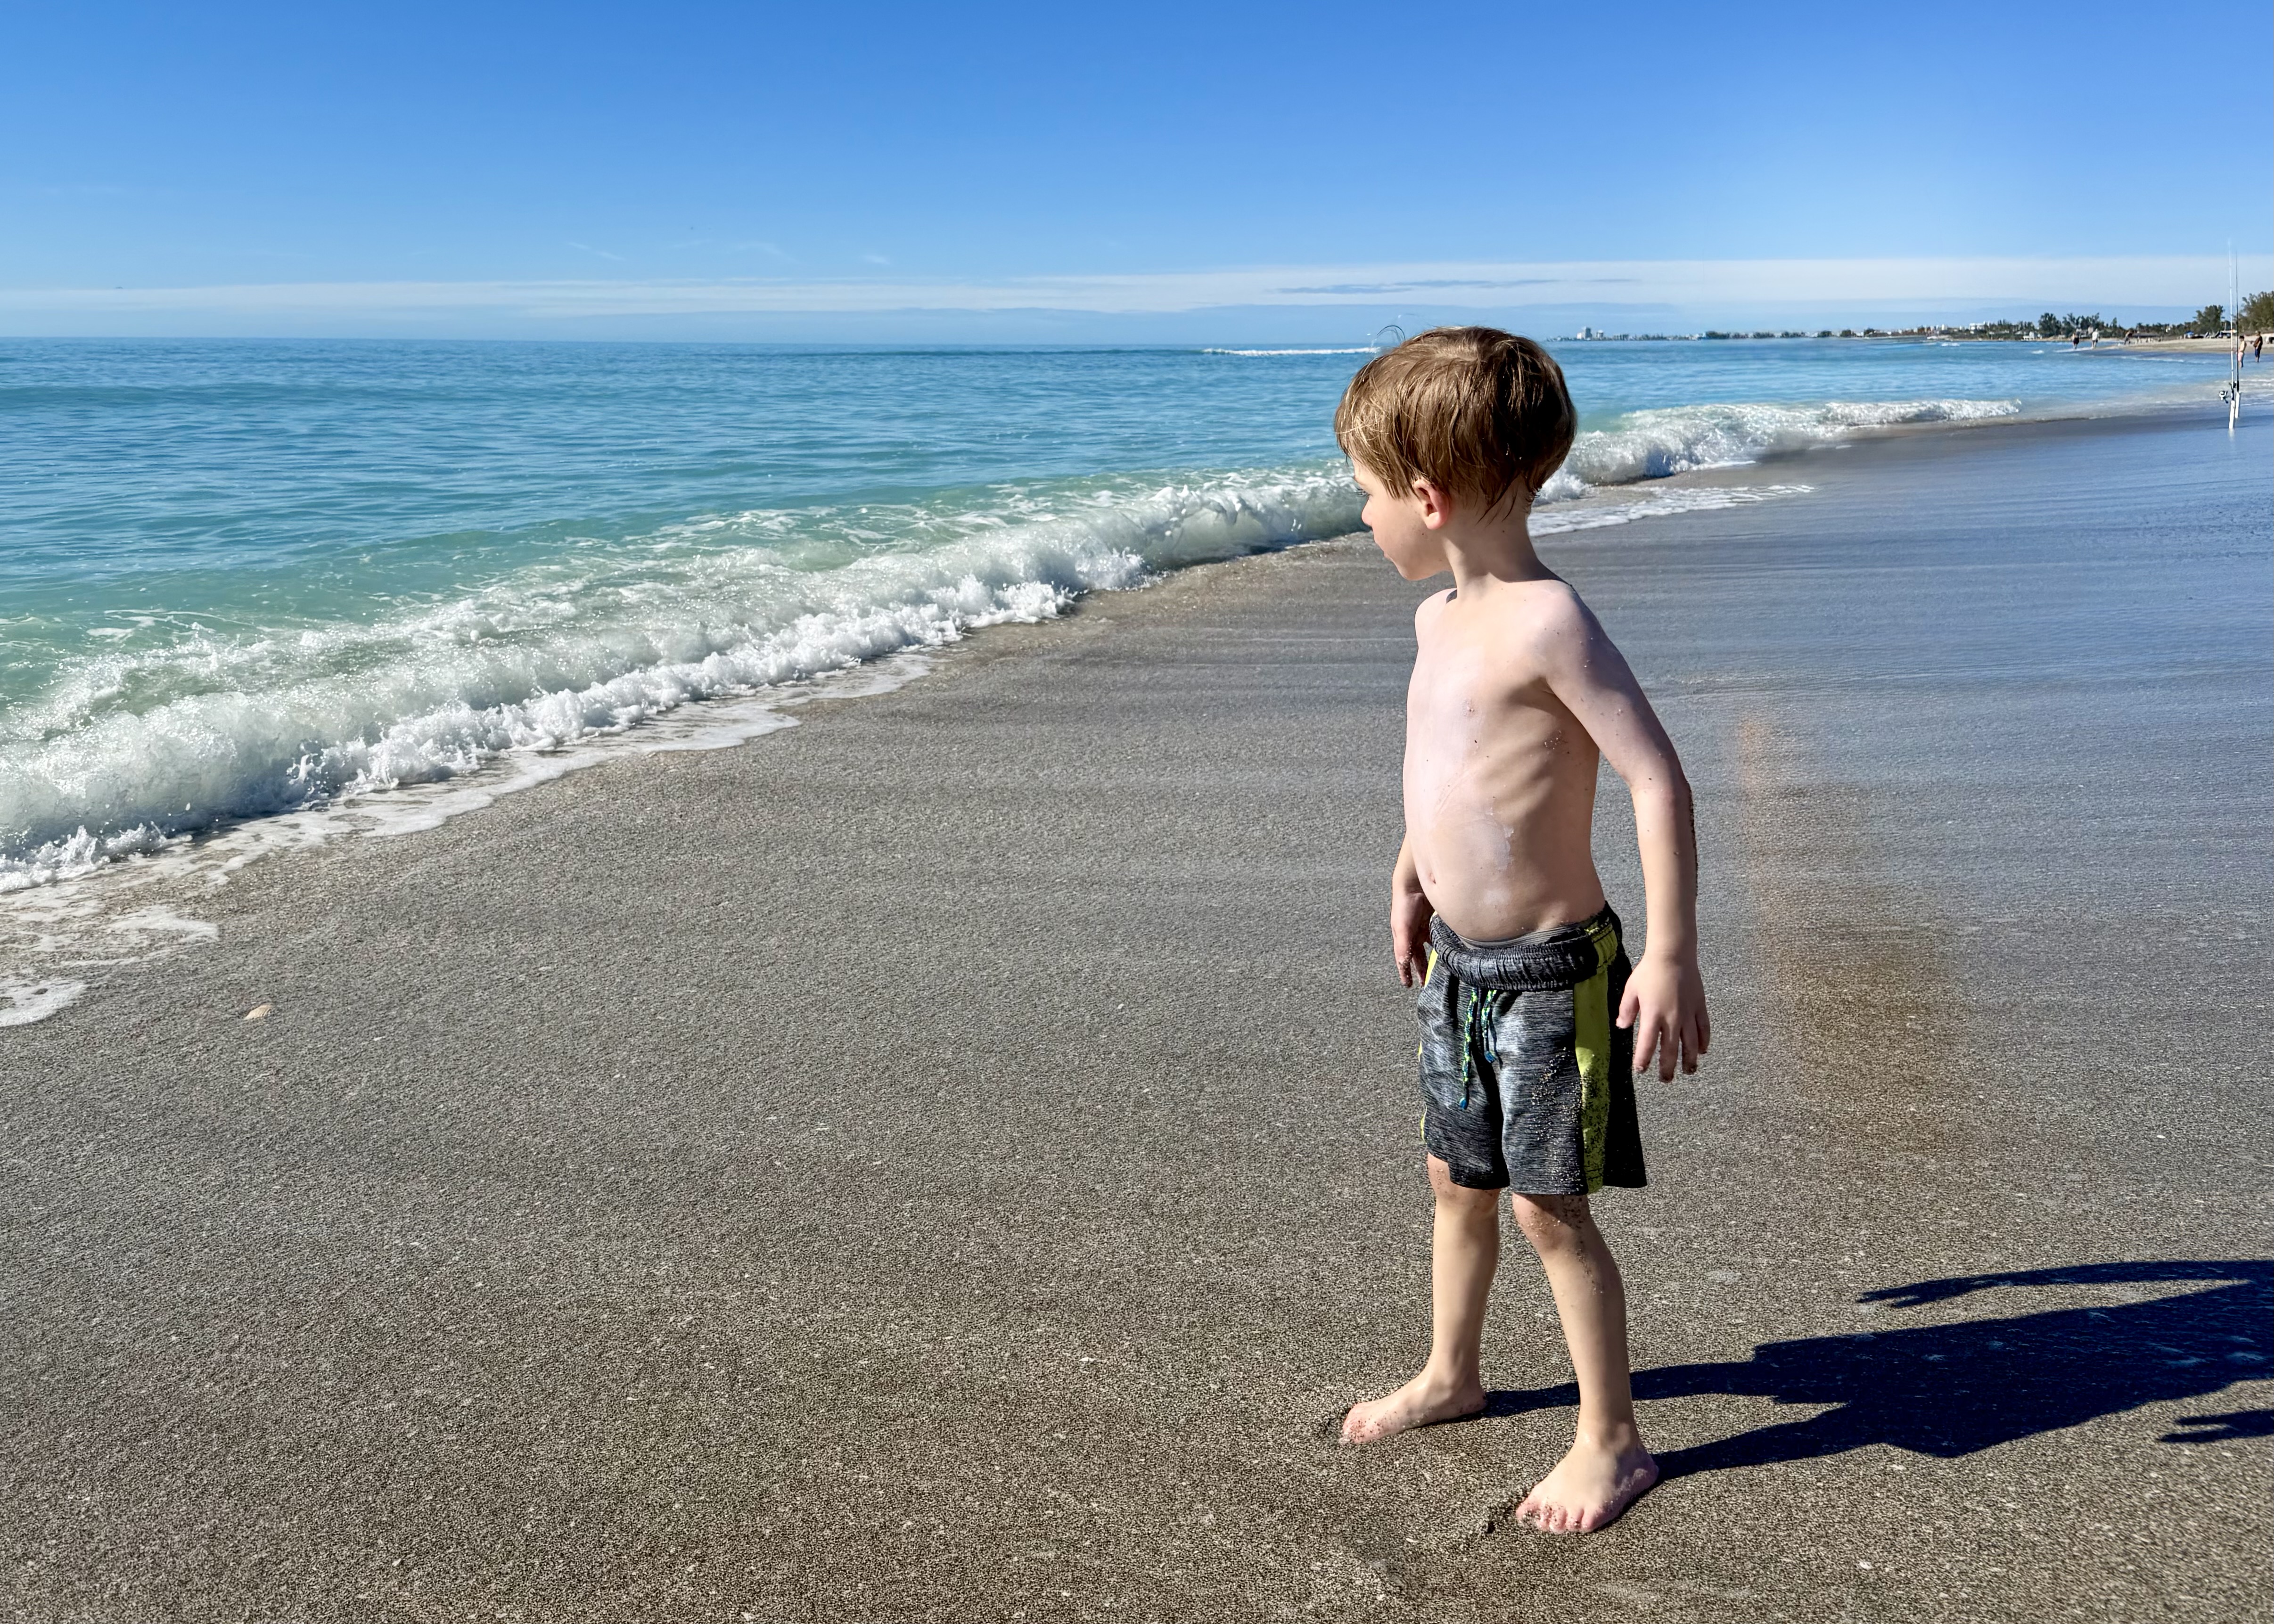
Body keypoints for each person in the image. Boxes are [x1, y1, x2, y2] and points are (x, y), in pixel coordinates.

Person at [1331, 328, 1709, 1535]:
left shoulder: (1550, 623)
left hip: (1551, 972)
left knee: (1550, 1207)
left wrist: (1669, 950)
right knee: (1455, 1180)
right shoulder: (1435, 625)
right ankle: (1454, 1372)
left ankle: (1613, 1438)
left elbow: (1657, 779)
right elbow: (1438, 777)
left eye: (1366, 497)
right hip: (1459, 964)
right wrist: (1407, 876)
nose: (1363, 519)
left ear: (1427, 498)